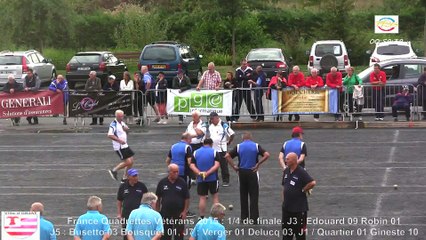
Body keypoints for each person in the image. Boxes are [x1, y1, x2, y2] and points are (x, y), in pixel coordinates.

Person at [225, 132, 270, 224]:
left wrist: (234, 166)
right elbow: (267, 155)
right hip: (252, 171)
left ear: (243, 138)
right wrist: (258, 164)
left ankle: (244, 218)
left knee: (243, 195)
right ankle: (254, 219)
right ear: (251, 138)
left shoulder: (238, 146)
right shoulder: (256, 146)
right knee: (254, 196)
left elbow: (227, 156)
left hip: (242, 172)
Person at [281, 152, 316, 240]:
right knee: (286, 234)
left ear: (293, 161)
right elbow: (284, 186)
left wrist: (303, 190)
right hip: (287, 209)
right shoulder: (286, 171)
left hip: (299, 210)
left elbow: (312, 182)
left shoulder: (301, 172)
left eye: (287, 159)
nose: (285, 160)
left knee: (300, 234)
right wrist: (284, 200)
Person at [156, 164, 190, 240]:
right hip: (165, 212)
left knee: (179, 234)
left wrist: (185, 211)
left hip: (179, 212)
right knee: (165, 234)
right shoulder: (162, 182)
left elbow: (187, 198)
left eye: (177, 172)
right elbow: (157, 198)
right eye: (174, 172)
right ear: (169, 172)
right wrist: (157, 211)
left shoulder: (182, 182)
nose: (176, 174)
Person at [190, 138, 221, 218]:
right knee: (215, 196)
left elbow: (192, 165)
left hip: (201, 179)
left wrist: (199, 173)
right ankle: (216, 217)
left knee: (202, 198)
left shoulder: (196, 152)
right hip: (212, 178)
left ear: (203, 143)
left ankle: (202, 217)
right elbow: (217, 165)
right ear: (211, 144)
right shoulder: (214, 152)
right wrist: (208, 173)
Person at [117, 168, 148, 240]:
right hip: (126, 214)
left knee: (139, 233)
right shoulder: (123, 187)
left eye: (136, 175)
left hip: (139, 215)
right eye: (134, 176)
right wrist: (119, 213)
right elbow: (119, 200)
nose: (136, 177)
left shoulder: (142, 186)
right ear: (128, 177)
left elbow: (147, 199)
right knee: (126, 234)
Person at [207, 112, 235, 187]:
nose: (212, 120)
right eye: (211, 119)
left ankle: (226, 180)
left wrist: (229, 141)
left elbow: (232, 134)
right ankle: (215, 179)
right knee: (213, 165)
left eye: (212, 119)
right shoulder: (210, 125)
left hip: (221, 149)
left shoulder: (223, 125)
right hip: (213, 149)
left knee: (224, 165)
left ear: (217, 117)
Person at [108, 110, 135, 183]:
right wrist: (119, 140)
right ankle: (114, 170)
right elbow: (110, 135)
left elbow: (127, 132)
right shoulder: (113, 124)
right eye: (120, 116)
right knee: (128, 162)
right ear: (116, 116)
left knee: (131, 161)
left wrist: (127, 130)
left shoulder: (122, 123)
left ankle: (125, 178)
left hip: (125, 145)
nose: (121, 118)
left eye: (122, 116)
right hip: (119, 146)